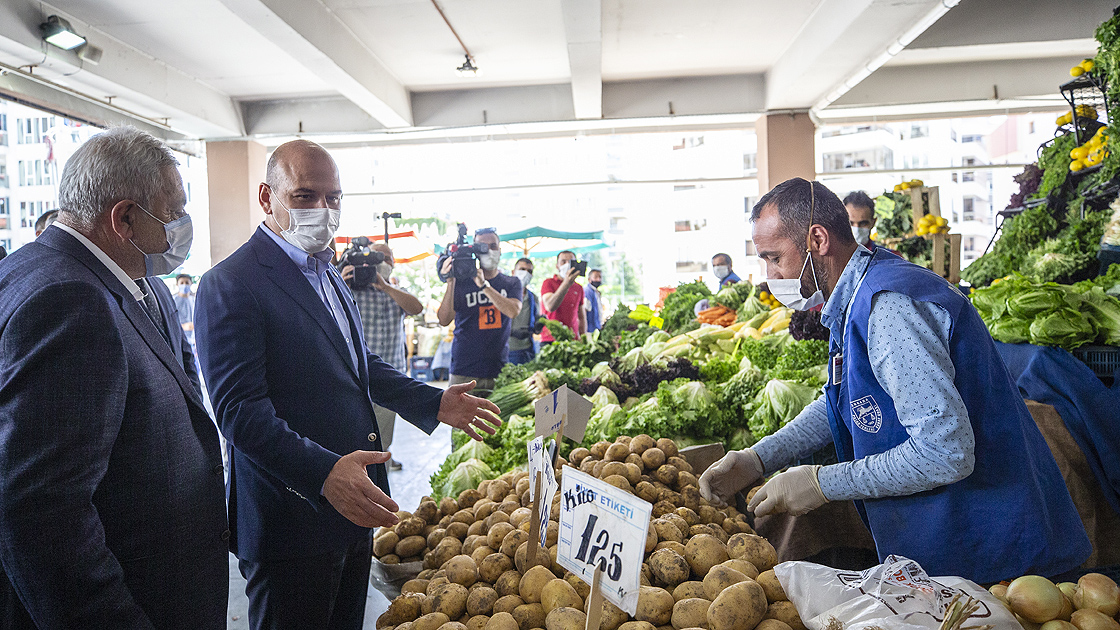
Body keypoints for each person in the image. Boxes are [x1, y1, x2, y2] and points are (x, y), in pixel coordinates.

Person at [699, 177, 1090, 584]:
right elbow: (845, 401)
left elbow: (945, 452)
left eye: (774, 258)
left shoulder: (888, 308)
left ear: (817, 240)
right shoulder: (857, 294)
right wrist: (758, 458)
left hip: (997, 551)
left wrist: (822, 483)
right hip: (957, 541)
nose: (770, 275)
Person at [195, 139, 501, 630]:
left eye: (333, 197)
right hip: (291, 516)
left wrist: (432, 402)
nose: (323, 209)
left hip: (356, 506)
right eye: (305, 196)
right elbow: (239, 412)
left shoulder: (328, 273)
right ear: (267, 197)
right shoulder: (231, 283)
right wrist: (323, 473)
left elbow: (358, 365)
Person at [0, 126, 227, 629]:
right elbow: (43, 511)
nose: (181, 226)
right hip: (134, 597)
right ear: (124, 218)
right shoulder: (69, 300)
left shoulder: (126, 281)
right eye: (173, 213)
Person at [342, 241, 423, 471]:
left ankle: (380, 485)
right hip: (355, 381)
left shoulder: (396, 291)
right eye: (378, 257)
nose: (384, 262)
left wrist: (386, 287)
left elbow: (417, 308)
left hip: (390, 381)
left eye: (387, 258)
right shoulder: (348, 289)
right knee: (352, 446)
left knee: (382, 445)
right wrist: (339, 282)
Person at [437, 228, 522, 390]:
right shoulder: (461, 283)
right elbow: (444, 319)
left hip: (498, 370)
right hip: (464, 369)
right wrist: (451, 282)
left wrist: (484, 286)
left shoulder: (511, 283)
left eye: (493, 246)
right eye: (482, 247)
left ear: (500, 250)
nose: (489, 251)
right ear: (474, 251)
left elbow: (513, 311)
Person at [540, 250, 586, 342]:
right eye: (563, 262)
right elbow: (550, 306)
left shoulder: (578, 288)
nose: (567, 265)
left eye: (570, 262)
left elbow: (581, 316)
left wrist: (583, 336)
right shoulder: (548, 283)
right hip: (551, 338)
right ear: (557, 266)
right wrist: (566, 284)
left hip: (572, 338)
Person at [508, 257, 540, 365]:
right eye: (522, 269)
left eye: (529, 271)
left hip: (528, 350)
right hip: (508, 350)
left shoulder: (533, 298)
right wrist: (511, 332)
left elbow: (536, 327)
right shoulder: (503, 296)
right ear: (513, 272)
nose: (526, 273)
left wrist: (538, 326)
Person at [174, 273, 197, 345]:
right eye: (182, 283)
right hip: (179, 339)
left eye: (187, 283)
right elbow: (170, 321)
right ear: (177, 284)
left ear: (191, 283)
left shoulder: (195, 300)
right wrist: (183, 326)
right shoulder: (173, 301)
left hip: (194, 339)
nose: (184, 285)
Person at [584, 267, 604, 333]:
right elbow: (584, 311)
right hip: (589, 329)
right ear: (589, 279)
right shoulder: (587, 292)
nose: (598, 279)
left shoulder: (595, 292)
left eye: (600, 277)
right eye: (595, 277)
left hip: (596, 327)